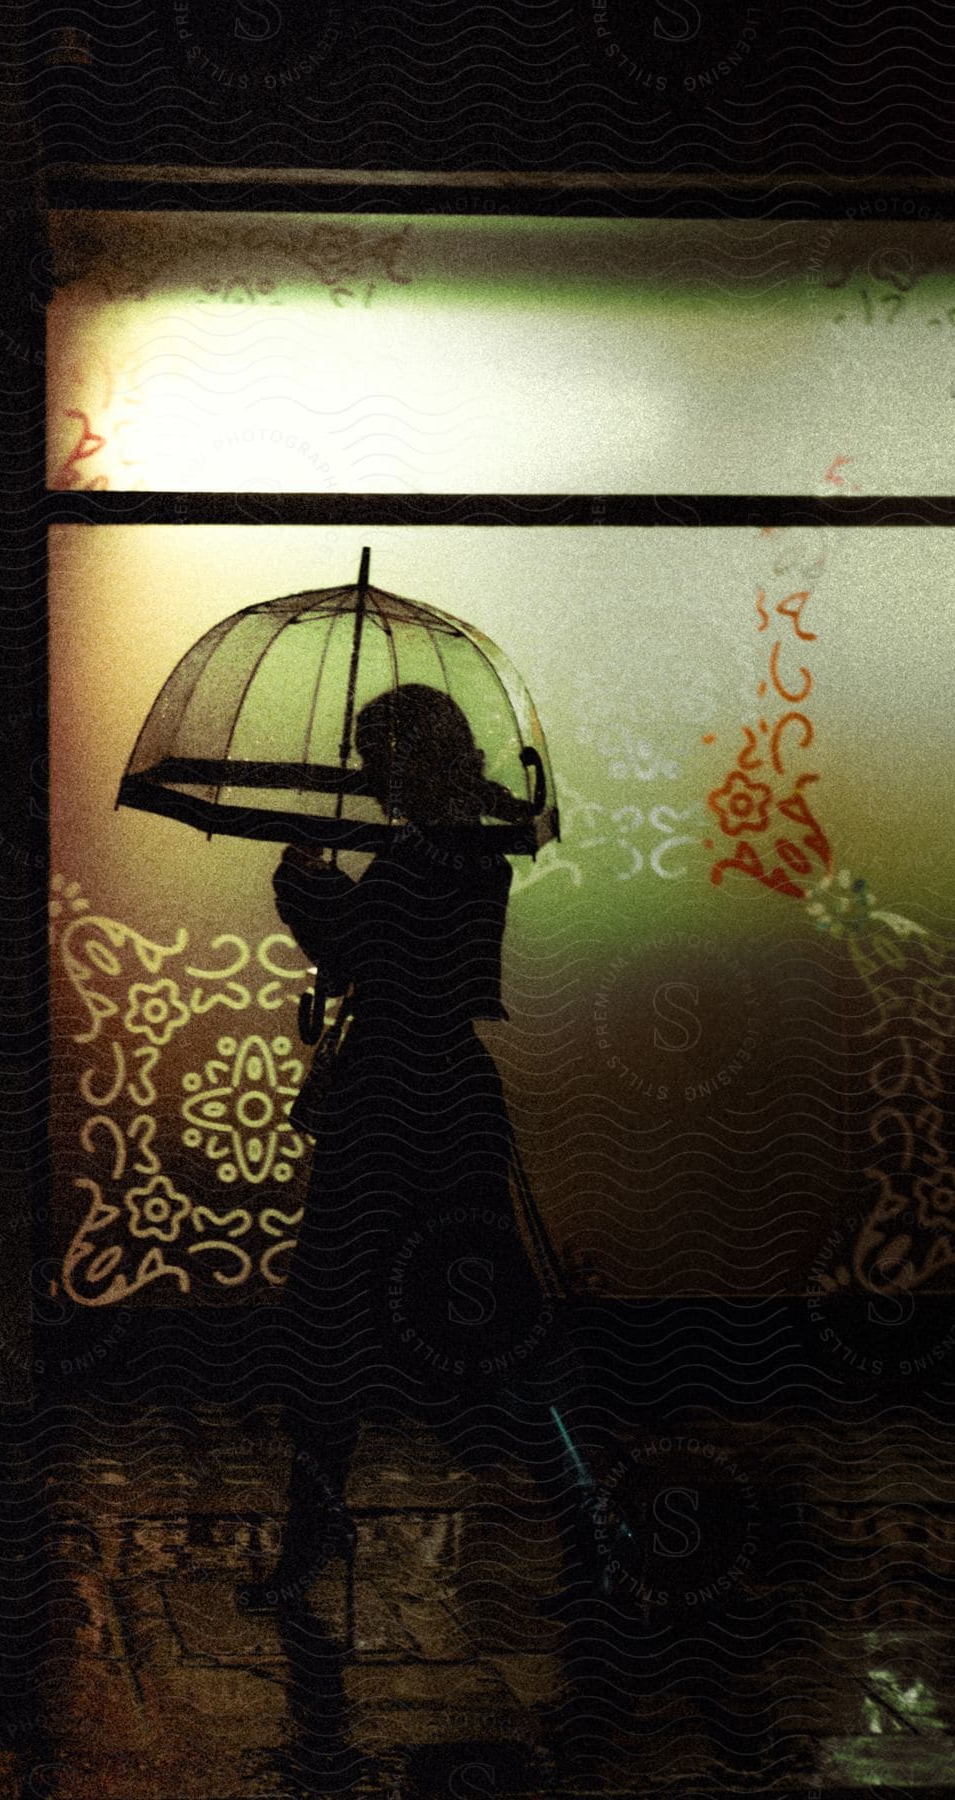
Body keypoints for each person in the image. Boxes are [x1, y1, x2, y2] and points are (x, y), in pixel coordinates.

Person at [237, 687, 637, 1665]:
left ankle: (585, 1541)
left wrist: (303, 885)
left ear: (415, 759)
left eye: (381, 756)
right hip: (430, 1106)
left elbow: (367, 949)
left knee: (369, 1326)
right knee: (473, 1328)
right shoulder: (462, 844)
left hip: (402, 1114)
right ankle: (595, 1544)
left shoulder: (435, 854)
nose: (369, 776)